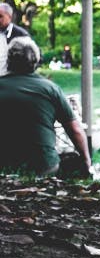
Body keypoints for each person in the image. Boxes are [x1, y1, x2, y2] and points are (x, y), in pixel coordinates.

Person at [0, 37, 90, 177]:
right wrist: (86, 161)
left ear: (8, 60)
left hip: (4, 167)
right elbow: (75, 129)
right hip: (43, 166)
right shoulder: (50, 89)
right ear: (36, 60)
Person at [0, 2, 32, 76]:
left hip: (14, 77)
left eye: (0, 16)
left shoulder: (21, 34)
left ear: (9, 17)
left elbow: (33, 57)